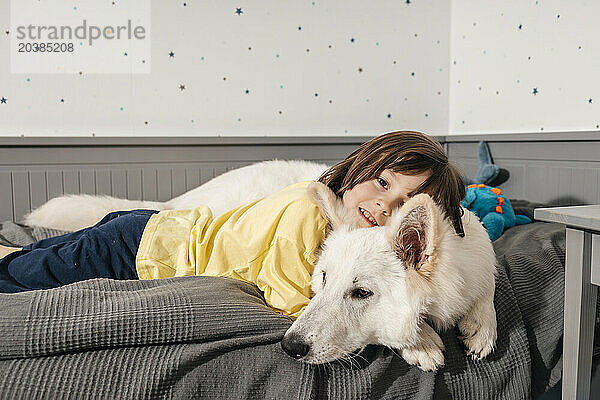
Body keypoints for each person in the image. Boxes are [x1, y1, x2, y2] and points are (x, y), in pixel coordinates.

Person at [0, 131, 465, 318]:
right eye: (381, 182)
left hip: (159, 229)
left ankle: (14, 252)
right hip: (143, 248)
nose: (384, 205)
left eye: (404, 201)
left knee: (43, 258)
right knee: (30, 279)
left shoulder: (335, 220)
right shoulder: (308, 216)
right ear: (359, 166)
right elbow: (291, 301)